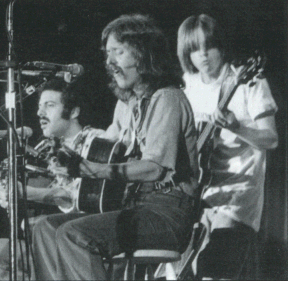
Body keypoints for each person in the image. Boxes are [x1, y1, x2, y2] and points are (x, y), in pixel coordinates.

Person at [31, 14, 199, 280]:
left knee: (74, 234)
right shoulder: (132, 105)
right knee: (45, 227)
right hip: (137, 207)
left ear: (143, 54)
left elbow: (153, 169)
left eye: (118, 52)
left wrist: (91, 169)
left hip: (166, 215)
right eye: (108, 55)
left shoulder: (167, 98)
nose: (109, 63)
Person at [0, 77, 104, 280]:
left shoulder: (97, 141)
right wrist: (8, 194)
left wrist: (29, 193)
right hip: (46, 237)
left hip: (79, 238)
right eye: (40, 106)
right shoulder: (46, 148)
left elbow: (80, 196)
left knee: (43, 228)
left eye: (49, 105)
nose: (40, 113)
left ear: (74, 112)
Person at [177, 14, 278, 279]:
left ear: (220, 45)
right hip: (198, 193)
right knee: (186, 271)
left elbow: (271, 138)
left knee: (217, 270)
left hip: (238, 193)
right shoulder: (188, 84)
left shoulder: (248, 81)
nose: (203, 55)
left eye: (208, 46)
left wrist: (237, 128)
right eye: (195, 49)